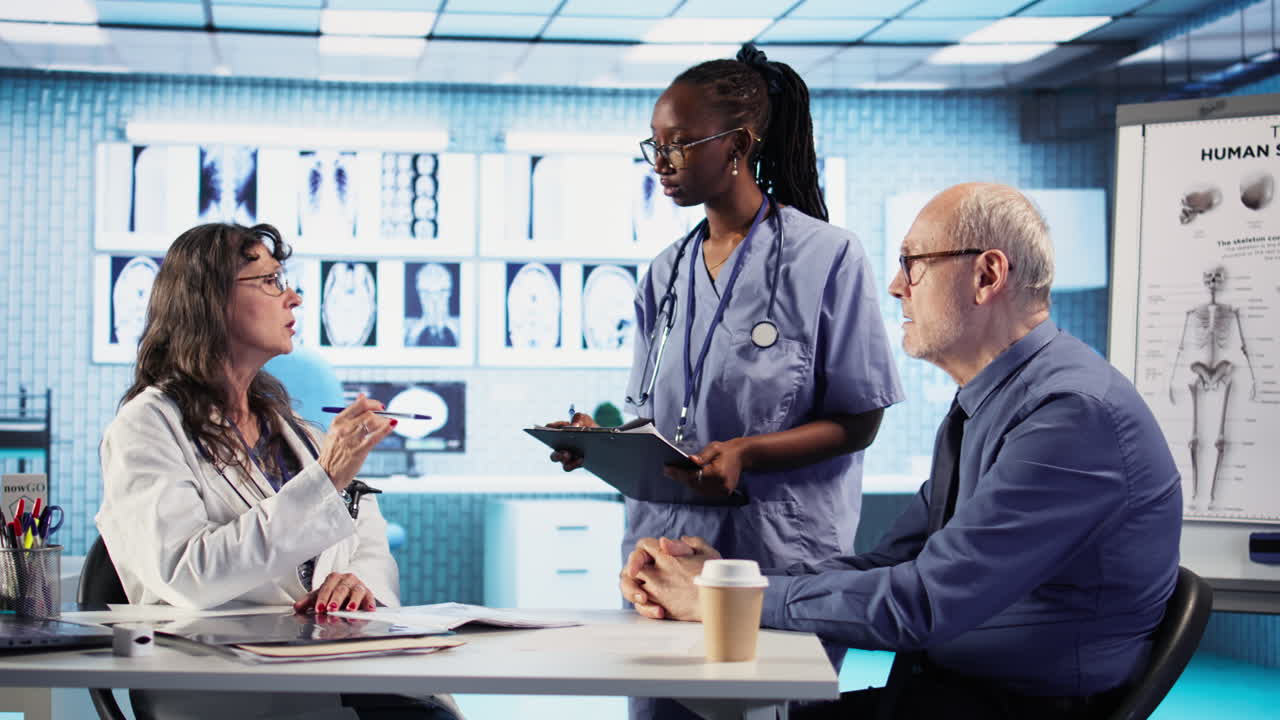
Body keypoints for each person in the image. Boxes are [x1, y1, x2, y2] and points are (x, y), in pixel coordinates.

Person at [620, 183, 1183, 720]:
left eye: (913, 263)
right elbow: (893, 563)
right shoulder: (991, 403)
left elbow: (921, 603)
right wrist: (728, 581)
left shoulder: (1070, 416)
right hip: (949, 696)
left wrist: (721, 601)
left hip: (1011, 711)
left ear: (987, 275)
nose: (895, 285)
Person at [548, 43, 903, 719]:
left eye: (679, 145)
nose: (661, 164)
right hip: (664, 550)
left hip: (775, 555)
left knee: (758, 709)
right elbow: (654, 419)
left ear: (737, 143)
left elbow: (861, 419)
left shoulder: (827, 257)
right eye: (652, 146)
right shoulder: (665, 272)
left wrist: (748, 453)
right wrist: (602, 443)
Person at [97, 222, 461, 720]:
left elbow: (368, 541)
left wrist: (361, 583)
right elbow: (188, 576)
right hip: (232, 689)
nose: (293, 298)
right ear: (209, 301)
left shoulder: (294, 432)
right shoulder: (147, 427)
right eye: (269, 282)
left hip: (338, 669)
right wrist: (325, 480)